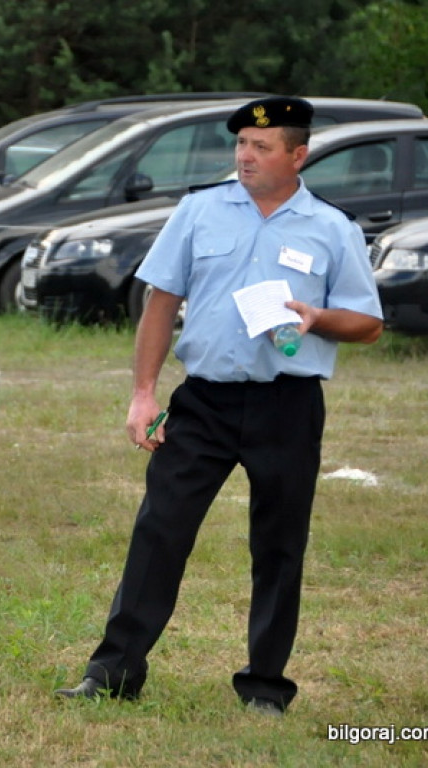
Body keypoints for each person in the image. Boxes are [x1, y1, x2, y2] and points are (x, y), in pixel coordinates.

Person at [55, 96, 383, 715]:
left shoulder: (332, 228)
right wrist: (144, 393)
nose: (246, 156)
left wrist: (316, 319)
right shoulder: (198, 211)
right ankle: (114, 672)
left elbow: (367, 323)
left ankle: (265, 686)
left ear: (298, 155)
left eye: (262, 147)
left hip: (287, 405)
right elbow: (160, 301)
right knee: (159, 532)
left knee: (279, 545)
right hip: (202, 401)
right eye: (241, 145)